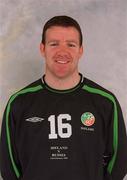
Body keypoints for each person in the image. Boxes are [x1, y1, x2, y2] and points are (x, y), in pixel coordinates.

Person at [0, 15, 127, 180]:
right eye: (54, 44)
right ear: (42, 49)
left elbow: (119, 163)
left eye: (71, 44)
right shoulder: (18, 103)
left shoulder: (105, 102)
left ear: (80, 50)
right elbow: (8, 167)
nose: (62, 52)